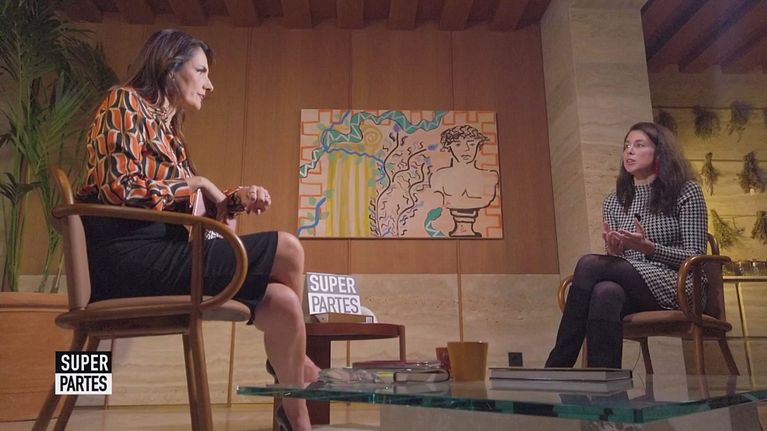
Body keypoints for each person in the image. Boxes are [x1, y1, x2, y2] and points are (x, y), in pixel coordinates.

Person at [76, 29, 317, 431]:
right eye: (201, 71)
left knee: (283, 304)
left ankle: (296, 420)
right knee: (287, 249)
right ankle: (296, 365)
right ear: (170, 68)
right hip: (124, 261)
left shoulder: (172, 133)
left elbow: (195, 208)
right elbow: (119, 188)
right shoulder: (123, 102)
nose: (210, 84)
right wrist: (196, 182)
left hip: (165, 255)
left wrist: (235, 199)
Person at [545, 122, 708, 369]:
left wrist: (650, 248)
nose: (629, 151)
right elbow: (622, 263)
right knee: (605, 292)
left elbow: (696, 257)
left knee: (588, 264)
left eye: (639, 145)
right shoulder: (614, 201)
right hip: (634, 285)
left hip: (679, 283)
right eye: (626, 146)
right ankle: (605, 386)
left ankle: (557, 366)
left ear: (660, 152)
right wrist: (615, 252)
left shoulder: (686, 191)